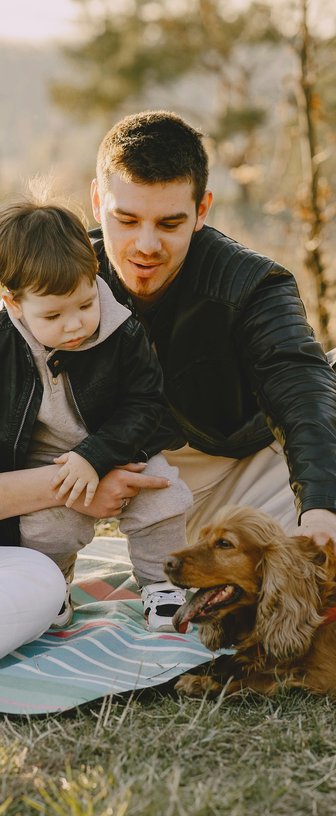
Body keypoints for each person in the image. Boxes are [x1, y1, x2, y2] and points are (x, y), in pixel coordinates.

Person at [85, 109, 336, 577]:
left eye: (169, 224)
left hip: (288, 454)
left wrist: (322, 516)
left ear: (202, 211)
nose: (146, 245)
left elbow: (304, 388)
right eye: (126, 220)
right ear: (96, 201)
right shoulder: (60, 286)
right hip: (193, 511)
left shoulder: (249, 282)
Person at [0, 197, 192, 635]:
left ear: (94, 278)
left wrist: (98, 454)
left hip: (121, 444)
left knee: (162, 499)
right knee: (49, 526)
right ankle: (54, 585)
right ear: (12, 303)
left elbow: (145, 403)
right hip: (43, 461)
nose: (76, 325)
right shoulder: (2, 344)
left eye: (85, 305)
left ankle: (163, 585)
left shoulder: (122, 330)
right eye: (53, 315)